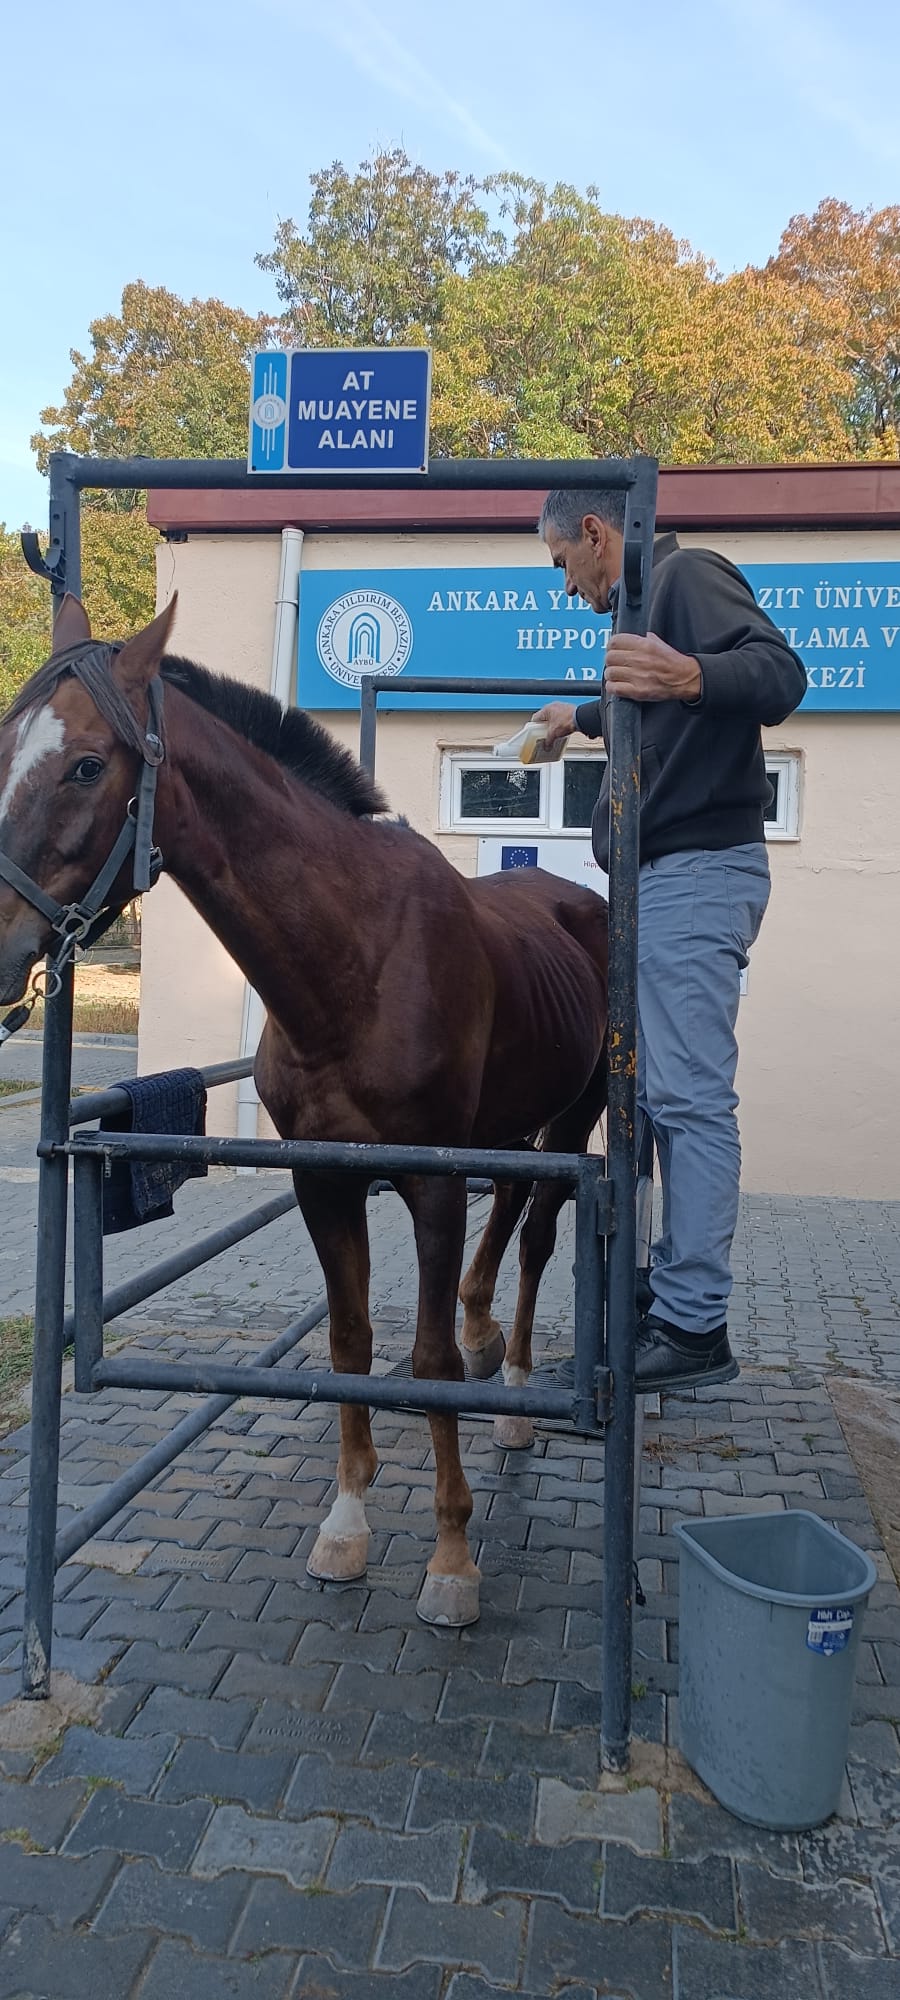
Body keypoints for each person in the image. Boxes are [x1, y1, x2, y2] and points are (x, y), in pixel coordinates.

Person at [535, 489, 807, 1392]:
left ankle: (694, 1325)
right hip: (657, 883)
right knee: (643, 1101)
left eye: (560, 563)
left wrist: (690, 675)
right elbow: (649, 714)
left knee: (687, 1101)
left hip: (695, 874)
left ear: (595, 532)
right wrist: (571, 720)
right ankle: (662, 1291)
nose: (564, 586)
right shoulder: (639, 618)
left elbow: (780, 675)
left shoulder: (686, 576)